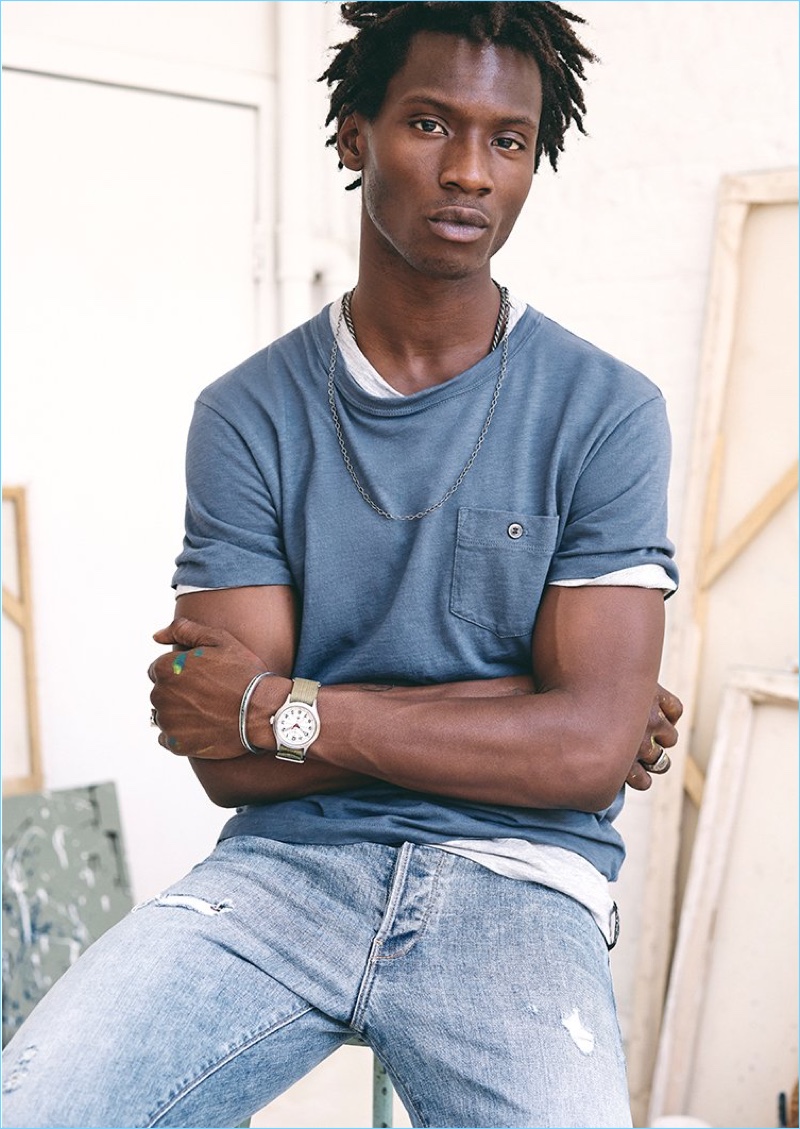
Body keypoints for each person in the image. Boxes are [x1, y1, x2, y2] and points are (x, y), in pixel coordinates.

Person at [2, 4, 683, 1127]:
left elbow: (580, 756)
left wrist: (288, 710)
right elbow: (224, 755)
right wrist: (521, 714)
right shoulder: (245, 415)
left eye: (505, 140)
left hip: (518, 883)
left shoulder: (605, 410)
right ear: (353, 134)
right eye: (428, 123)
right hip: (281, 876)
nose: (468, 170)